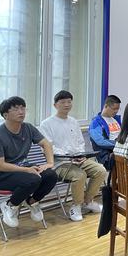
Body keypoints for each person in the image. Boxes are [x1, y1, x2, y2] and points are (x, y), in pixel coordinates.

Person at [0, 96, 58, 229]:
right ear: (5, 115)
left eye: (23, 108)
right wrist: (27, 170)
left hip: (23, 170)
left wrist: (49, 163)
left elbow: (46, 144)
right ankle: (10, 205)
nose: (21, 112)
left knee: (51, 175)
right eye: (16, 109)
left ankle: (32, 201)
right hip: (1, 176)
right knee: (33, 179)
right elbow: (0, 166)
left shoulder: (28, 128)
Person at [40, 90, 106, 222]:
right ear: (55, 105)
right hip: (59, 163)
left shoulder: (73, 122)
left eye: (69, 102)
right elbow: (48, 147)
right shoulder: (46, 124)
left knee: (101, 170)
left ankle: (88, 201)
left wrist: (80, 154)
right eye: (63, 102)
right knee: (79, 175)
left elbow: (80, 142)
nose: (66, 104)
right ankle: (76, 206)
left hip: (78, 159)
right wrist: (69, 156)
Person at [89, 95, 122, 169]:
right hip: (107, 155)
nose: (116, 111)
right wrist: (118, 145)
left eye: (118, 109)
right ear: (106, 106)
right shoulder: (95, 122)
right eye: (114, 109)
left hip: (120, 149)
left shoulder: (117, 119)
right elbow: (100, 141)